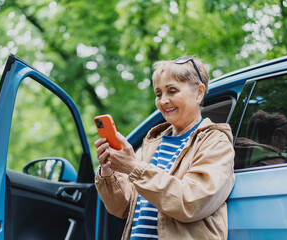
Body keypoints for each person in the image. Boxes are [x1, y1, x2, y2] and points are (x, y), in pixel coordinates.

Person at [95, 56, 235, 239]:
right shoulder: (153, 143)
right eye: (158, 93)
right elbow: (123, 208)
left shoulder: (215, 142)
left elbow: (191, 202)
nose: (163, 101)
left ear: (199, 93)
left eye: (172, 91)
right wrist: (109, 174)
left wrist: (134, 168)